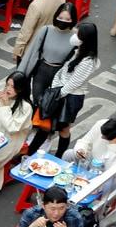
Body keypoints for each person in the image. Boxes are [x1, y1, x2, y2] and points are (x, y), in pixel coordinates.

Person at [28, 22, 99, 158]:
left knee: (62, 128)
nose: (74, 36)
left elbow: (74, 82)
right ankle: (30, 152)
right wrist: (55, 86)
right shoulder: (77, 50)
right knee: (47, 125)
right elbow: (63, 70)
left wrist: (56, 94)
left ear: (85, 37)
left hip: (70, 98)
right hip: (60, 92)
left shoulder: (89, 60)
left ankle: (58, 155)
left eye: (78, 34)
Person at [0, 71, 35, 199]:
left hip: (10, 141)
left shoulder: (26, 107)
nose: (8, 89)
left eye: (13, 86)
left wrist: (4, 106)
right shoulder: (4, 98)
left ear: (21, 89)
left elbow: (12, 128)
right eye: (7, 85)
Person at [18, 1, 77, 115]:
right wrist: (21, 73)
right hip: (41, 70)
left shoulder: (76, 37)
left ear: (73, 20)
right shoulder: (46, 30)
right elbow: (32, 53)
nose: (63, 21)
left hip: (60, 73)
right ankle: (36, 121)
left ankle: (46, 127)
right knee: (37, 99)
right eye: (61, 17)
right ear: (56, 16)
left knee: (53, 103)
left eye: (67, 19)